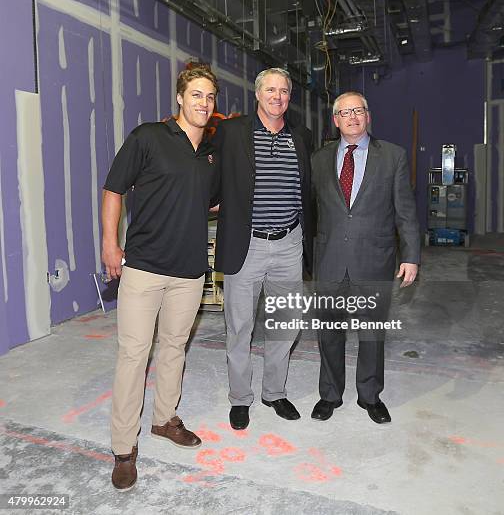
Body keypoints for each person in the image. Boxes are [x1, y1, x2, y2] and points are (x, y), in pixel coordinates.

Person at [101, 66, 218, 491]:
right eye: (196, 95)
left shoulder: (210, 152)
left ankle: (165, 419)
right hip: (145, 267)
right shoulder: (148, 137)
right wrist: (110, 244)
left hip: (189, 272)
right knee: (133, 356)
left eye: (209, 96)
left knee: (174, 347)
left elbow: (211, 202)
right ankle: (123, 448)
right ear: (179, 99)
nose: (203, 103)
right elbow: (114, 189)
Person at [311, 91, 420, 424]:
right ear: (335, 120)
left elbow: (405, 211)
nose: (352, 117)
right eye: (345, 112)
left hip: (374, 260)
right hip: (329, 260)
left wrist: (411, 254)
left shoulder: (393, 157)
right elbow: (309, 210)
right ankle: (329, 394)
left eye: (358, 111)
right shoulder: (318, 159)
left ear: (368, 116)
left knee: (371, 332)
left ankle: (370, 396)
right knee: (329, 331)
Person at [212, 67, 313, 430]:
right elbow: (212, 175)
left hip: (289, 243)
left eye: (284, 91)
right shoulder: (233, 131)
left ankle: (274, 392)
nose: (277, 97)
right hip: (247, 243)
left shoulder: (301, 135)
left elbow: (308, 190)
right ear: (257, 94)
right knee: (240, 326)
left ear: (290, 97)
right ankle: (240, 398)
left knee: (287, 323)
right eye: (270, 90)